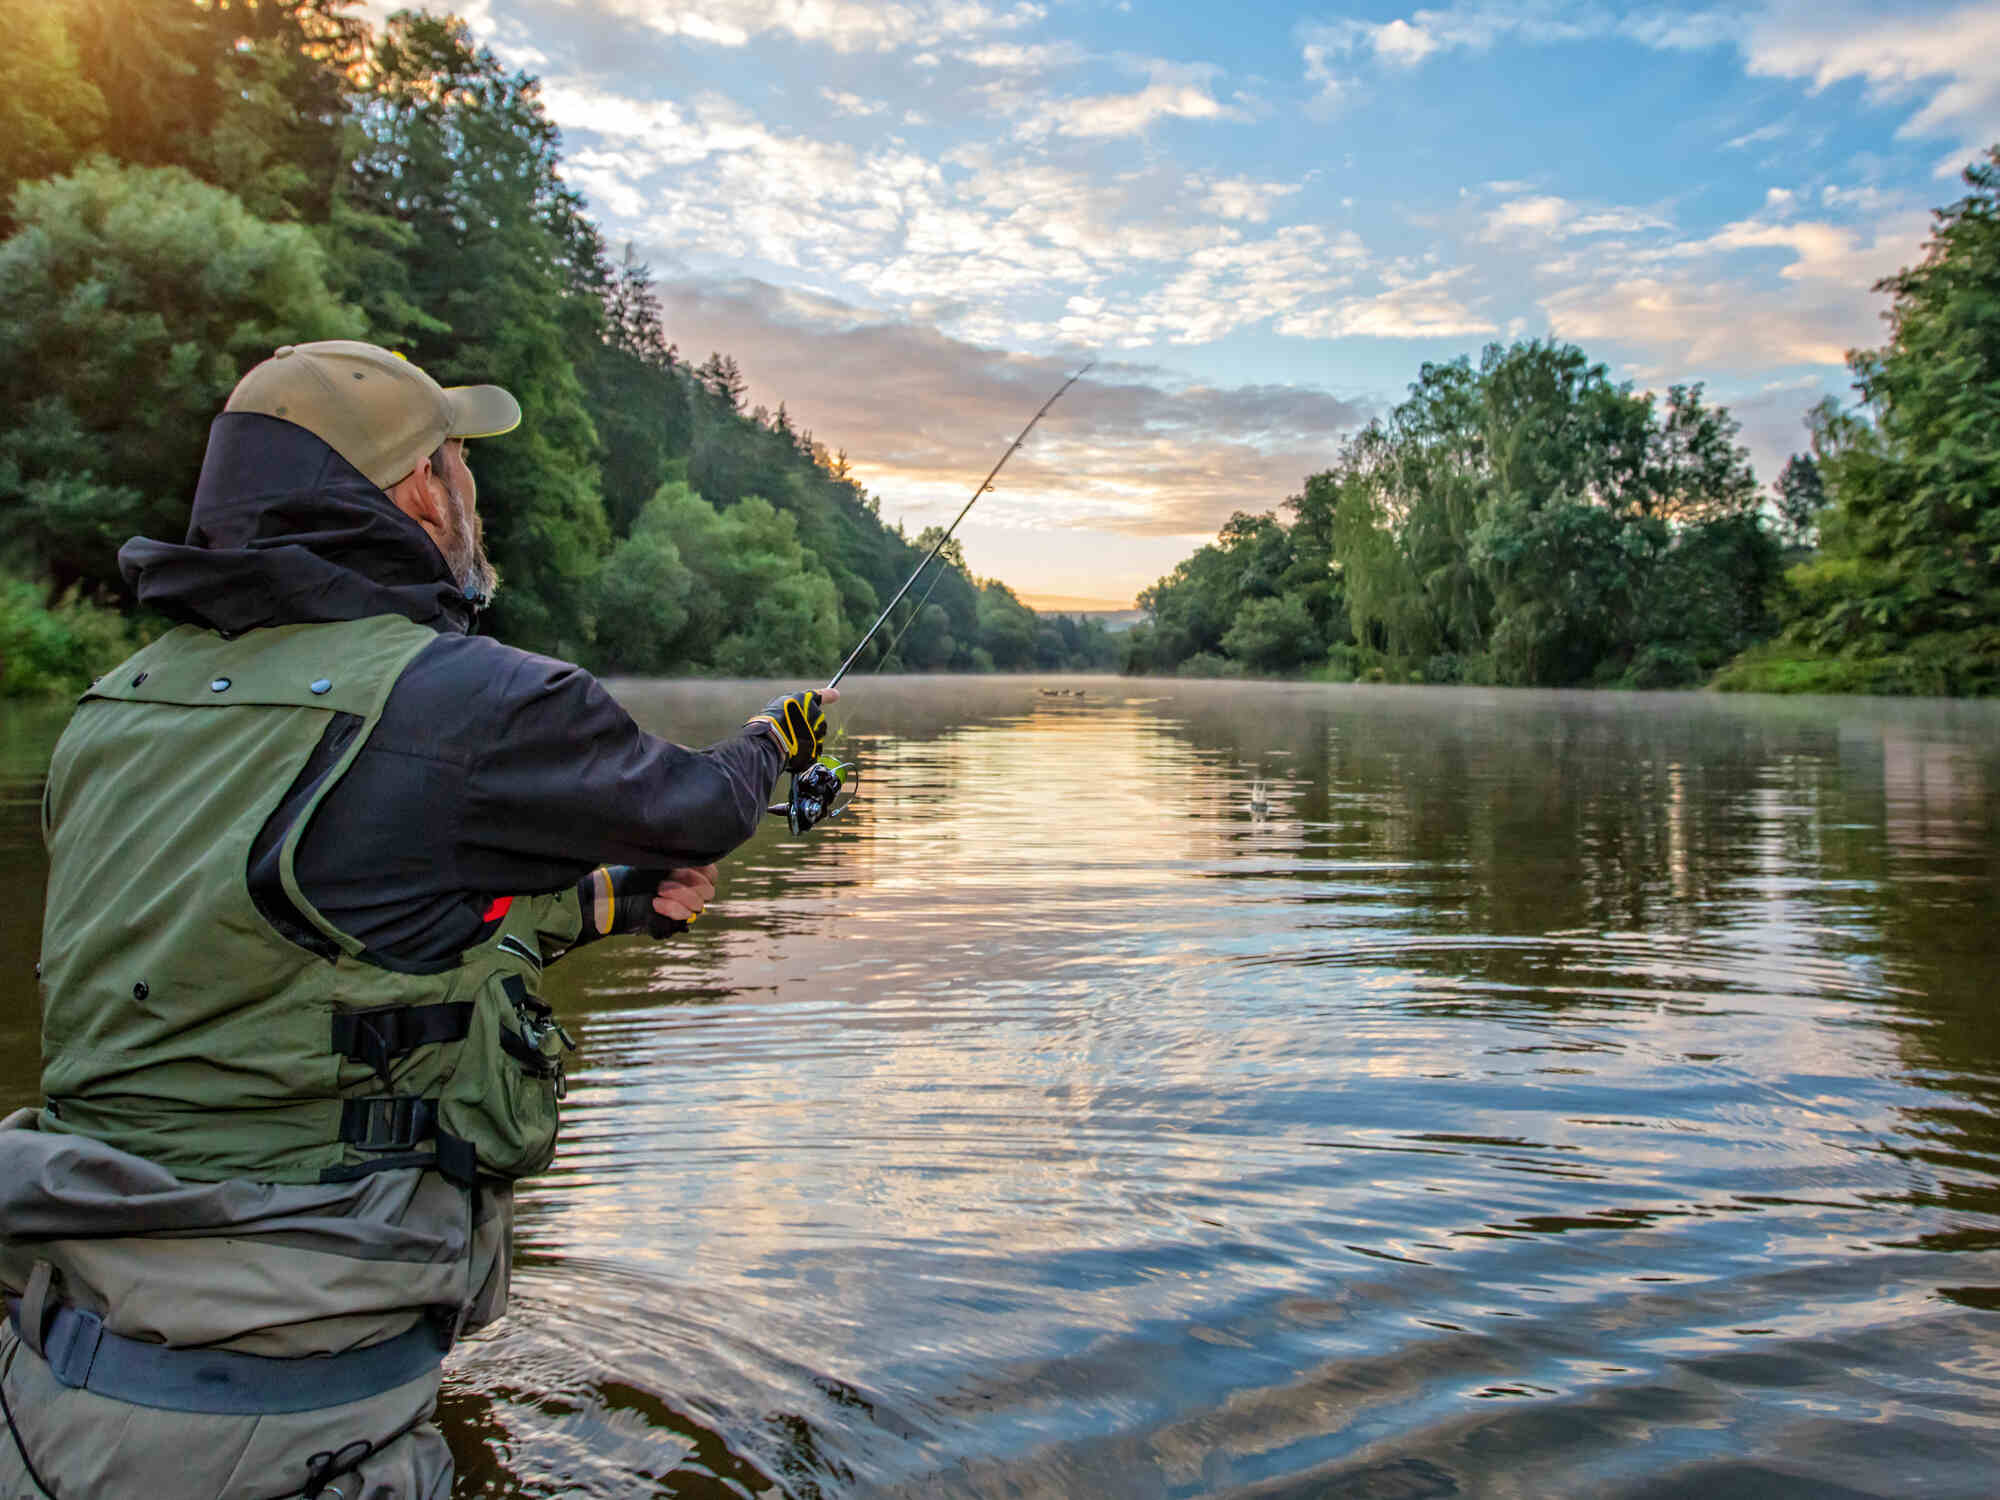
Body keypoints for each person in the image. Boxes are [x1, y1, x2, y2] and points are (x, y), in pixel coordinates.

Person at [0, 339, 834, 1499]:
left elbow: (288, 938)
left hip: (46, 1381)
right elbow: (695, 810)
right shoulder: (472, 699)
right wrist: (771, 742)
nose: (474, 495)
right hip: (281, 1429)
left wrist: (596, 904)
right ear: (413, 490)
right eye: (460, 464)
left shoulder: (115, 708)